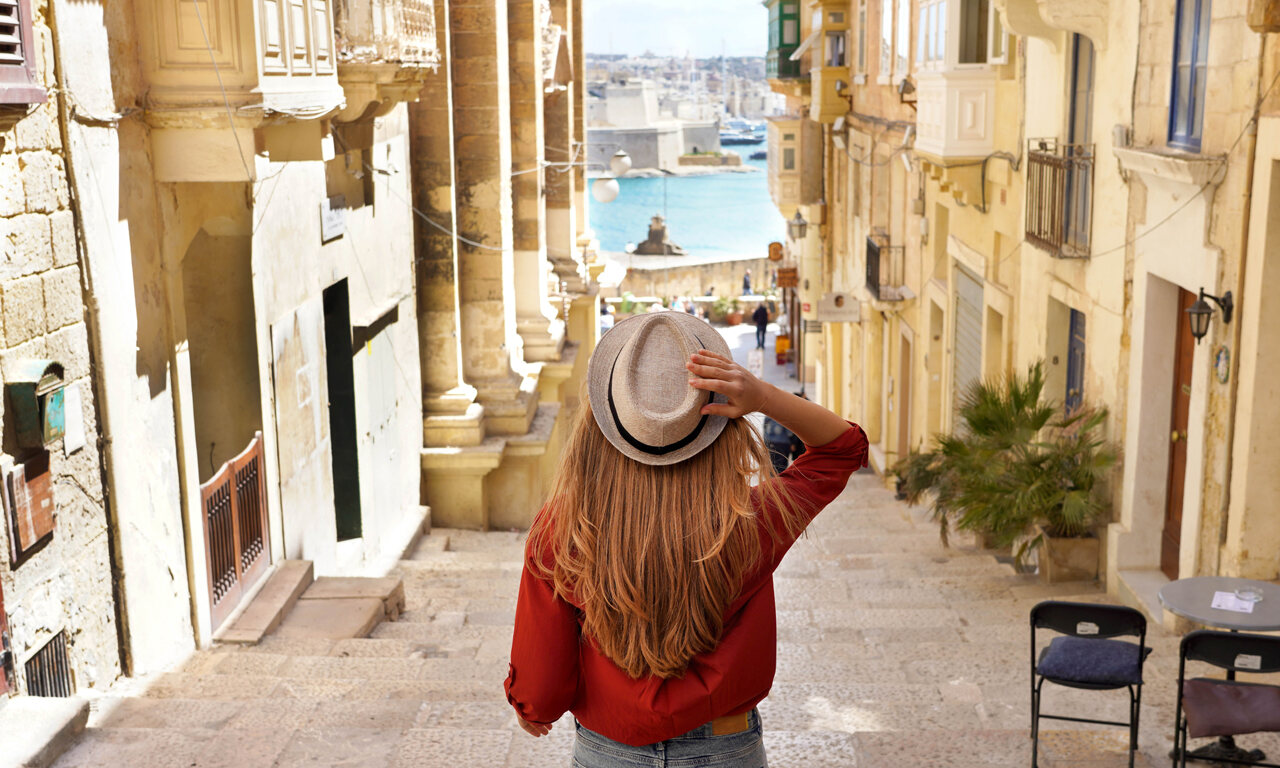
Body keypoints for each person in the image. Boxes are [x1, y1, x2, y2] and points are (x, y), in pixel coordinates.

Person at [505, 312, 868, 766]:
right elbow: (843, 449)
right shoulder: (752, 520)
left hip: (610, 750)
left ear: (601, 426)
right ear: (719, 426)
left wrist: (531, 706)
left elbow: (541, 683)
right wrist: (762, 396)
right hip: (726, 748)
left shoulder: (565, 528)